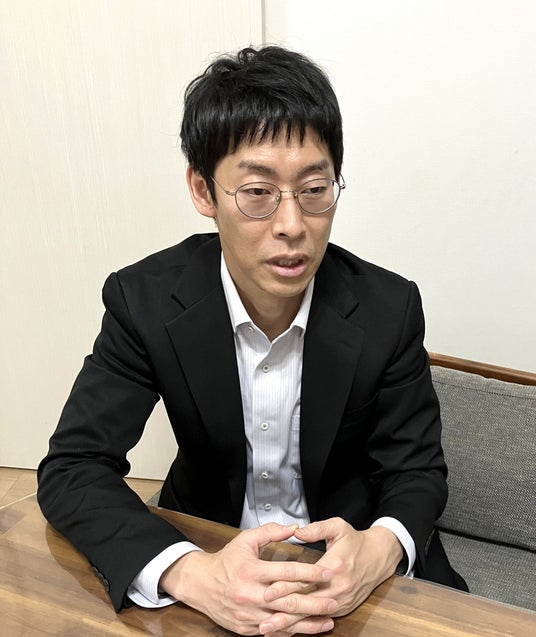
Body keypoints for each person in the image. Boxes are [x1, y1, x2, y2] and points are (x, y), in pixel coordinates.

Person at [37, 45, 467, 636]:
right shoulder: (144, 301)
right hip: (209, 553)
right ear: (203, 191)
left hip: (350, 565)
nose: (292, 225)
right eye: (258, 192)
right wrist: (193, 573)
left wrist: (378, 549)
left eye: (314, 189)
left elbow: (417, 471)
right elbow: (74, 466)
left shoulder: (388, 307)